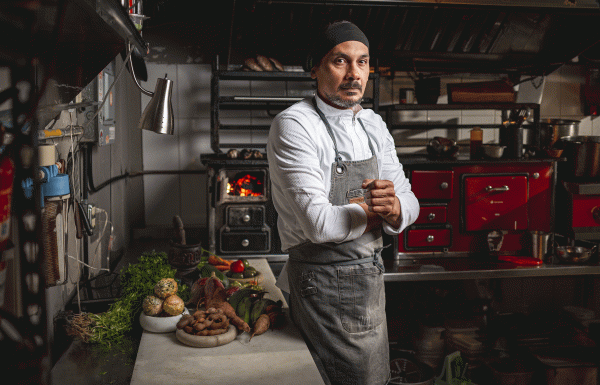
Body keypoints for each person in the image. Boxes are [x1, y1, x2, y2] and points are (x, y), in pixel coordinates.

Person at [266, 21, 420, 385]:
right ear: (315, 68)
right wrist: (378, 212)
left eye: (363, 62)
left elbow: (410, 202)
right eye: (340, 61)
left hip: (369, 279)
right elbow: (321, 227)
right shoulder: (295, 125)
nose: (354, 74)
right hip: (322, 284)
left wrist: (395, 209)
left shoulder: (372, 125)